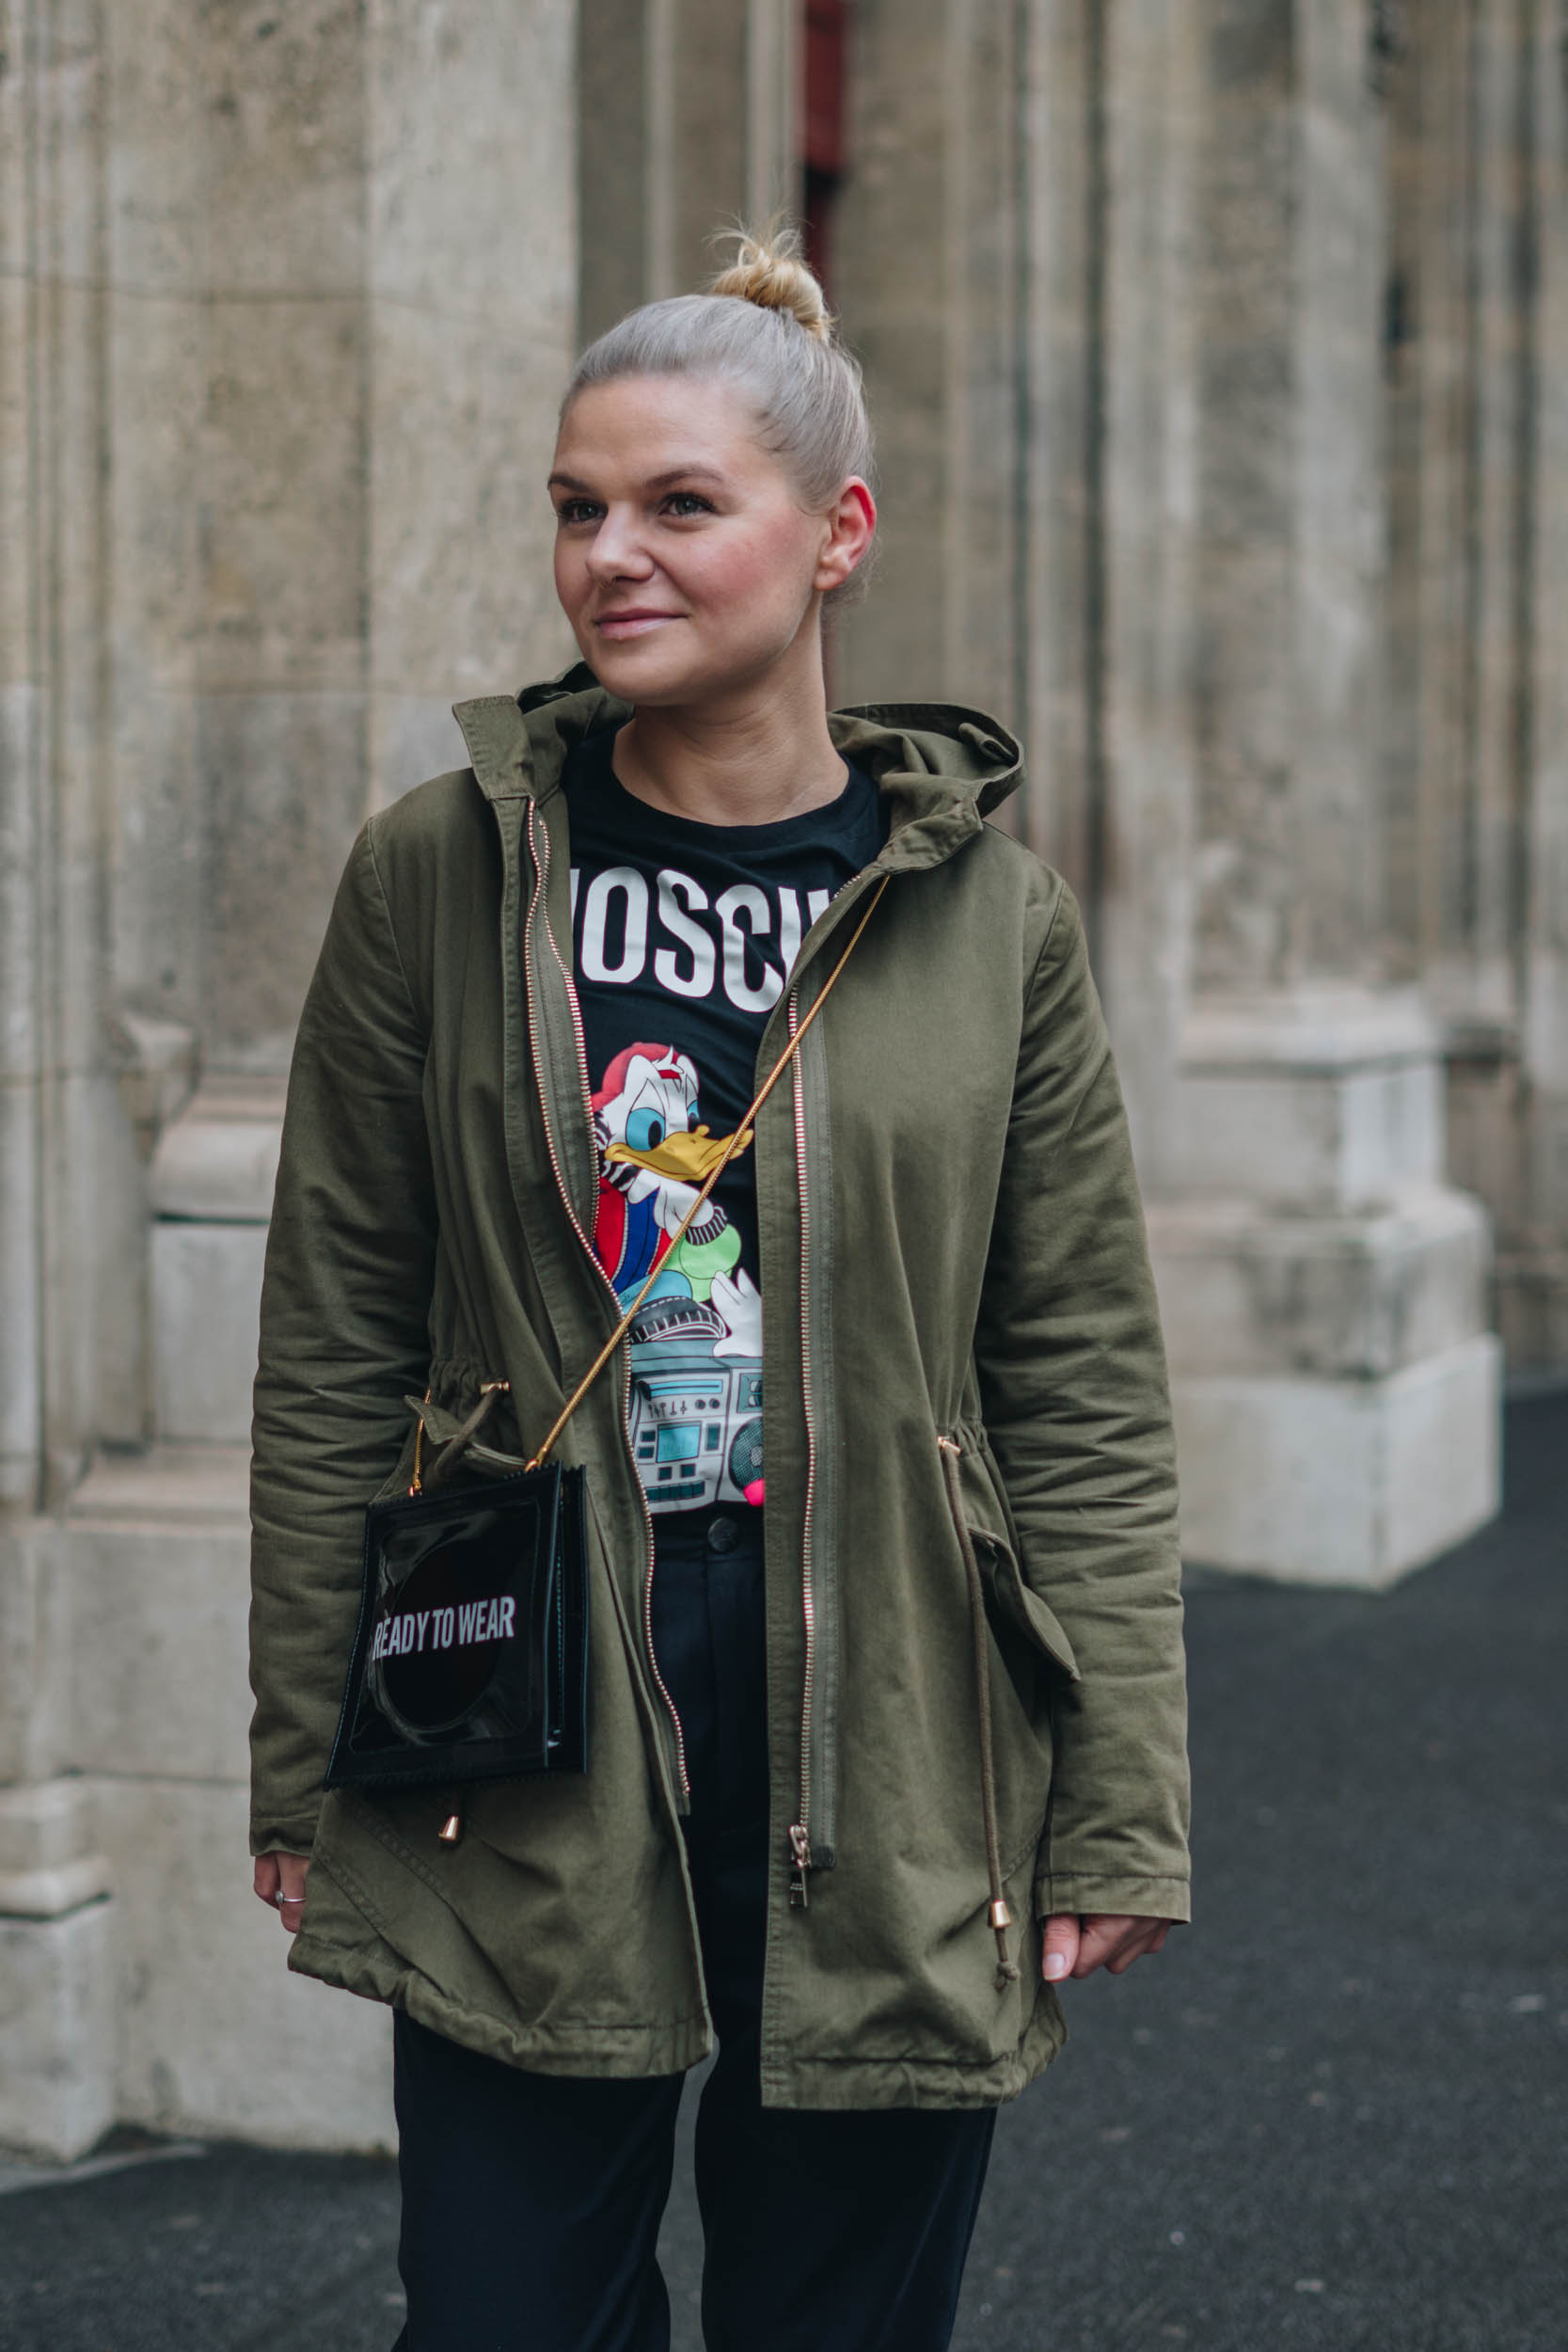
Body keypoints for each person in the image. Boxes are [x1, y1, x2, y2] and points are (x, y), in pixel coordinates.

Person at [248, 225, 1190, 2352]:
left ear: (836, 533)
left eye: (680, 503)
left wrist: (1121, 1795)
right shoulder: (441, 870)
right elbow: (337, 1334)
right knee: (502, 2312)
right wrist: (304, 1747)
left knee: (839, 2314)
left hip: (894, 1706)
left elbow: (1077, 1376)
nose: (613, 556)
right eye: (577, 506)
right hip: (525, 1689)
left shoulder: (990, 916)